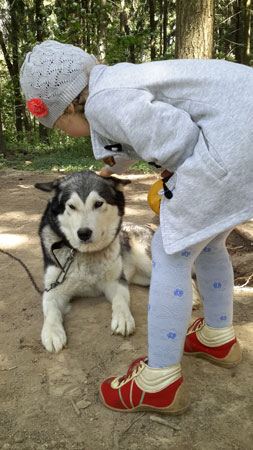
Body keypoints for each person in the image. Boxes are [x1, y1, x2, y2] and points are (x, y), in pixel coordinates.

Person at [20, 40, 253, 414]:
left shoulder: (103, 102)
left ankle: (159, 381)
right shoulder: (115, 83)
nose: (64, 131)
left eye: (59, 124)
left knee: (169, 253)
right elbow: (135, 137)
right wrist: (106, 173)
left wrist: (172, 179)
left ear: (66, 106)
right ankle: (218, 337)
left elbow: (178, 138)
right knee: (209, 243)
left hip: (229, 146)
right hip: (241, 134)